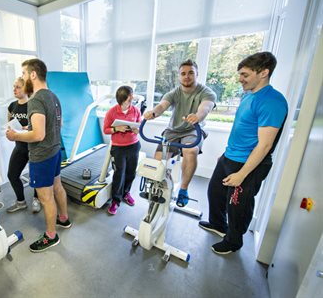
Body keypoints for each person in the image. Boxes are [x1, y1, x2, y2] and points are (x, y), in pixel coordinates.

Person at [198, 52, 288, 255]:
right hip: (230, 156)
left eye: (245, 74)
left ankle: (233, 241)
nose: (240, 79)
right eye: (240, 74)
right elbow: (243, 130)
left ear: (264, 73)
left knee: (238, 205)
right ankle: (218, 225)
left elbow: (264, 146)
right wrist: (225, 155)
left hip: (249, 164)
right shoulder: (249, 95)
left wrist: (242, 174)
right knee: (215, 192)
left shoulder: (272, 101)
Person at [5, 58, 71, 253]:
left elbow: (38, 135)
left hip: (42, 155)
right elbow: (57, 125)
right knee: (57, 187)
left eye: (24, 74)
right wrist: (30, 128)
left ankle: (51, 236)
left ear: (33, 74)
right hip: (55, 151)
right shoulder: (53, 97)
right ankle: (64, 219)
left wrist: (16, 135)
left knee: (45, 197)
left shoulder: (35, 100)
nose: (23, 78)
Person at [143, 59, 216, 207]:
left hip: (193, 129)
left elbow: (205, 107)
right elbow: (162, 106)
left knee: (190, 150)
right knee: (159, 157)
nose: (186, 76)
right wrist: (153, 113)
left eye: (190, 73)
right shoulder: (174, 93)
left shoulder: (206, 92)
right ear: (179, 76)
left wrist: (198, 116)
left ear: (197, 74)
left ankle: (183, 189)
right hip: (173, 130)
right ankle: (161, 184)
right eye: (183, 73)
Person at [103, 86, 142, 215]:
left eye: (131, 98)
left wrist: (137, 130)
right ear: (121, 99)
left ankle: (126, 193)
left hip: (133, 145)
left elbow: (139, 125)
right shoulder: (112, 112)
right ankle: (115, 201)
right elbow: (106, 130)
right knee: (119, 174)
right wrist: (116, 129)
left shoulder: (135, 110)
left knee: (131, 173)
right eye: (128, 99)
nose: (131, 100)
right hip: (119, 148)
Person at [5, 77, 41, 213]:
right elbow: (9, 122)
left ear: (26, 89)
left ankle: (37, 199)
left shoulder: (34, 105)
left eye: (18, 87)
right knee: (12, 175)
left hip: (34, 147)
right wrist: (10, 131)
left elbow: (40, 129)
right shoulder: (12, 106)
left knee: (36, 177)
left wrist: (29, 128)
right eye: (14, 87)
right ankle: (21, 202)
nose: (14, 89)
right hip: (20, 147)